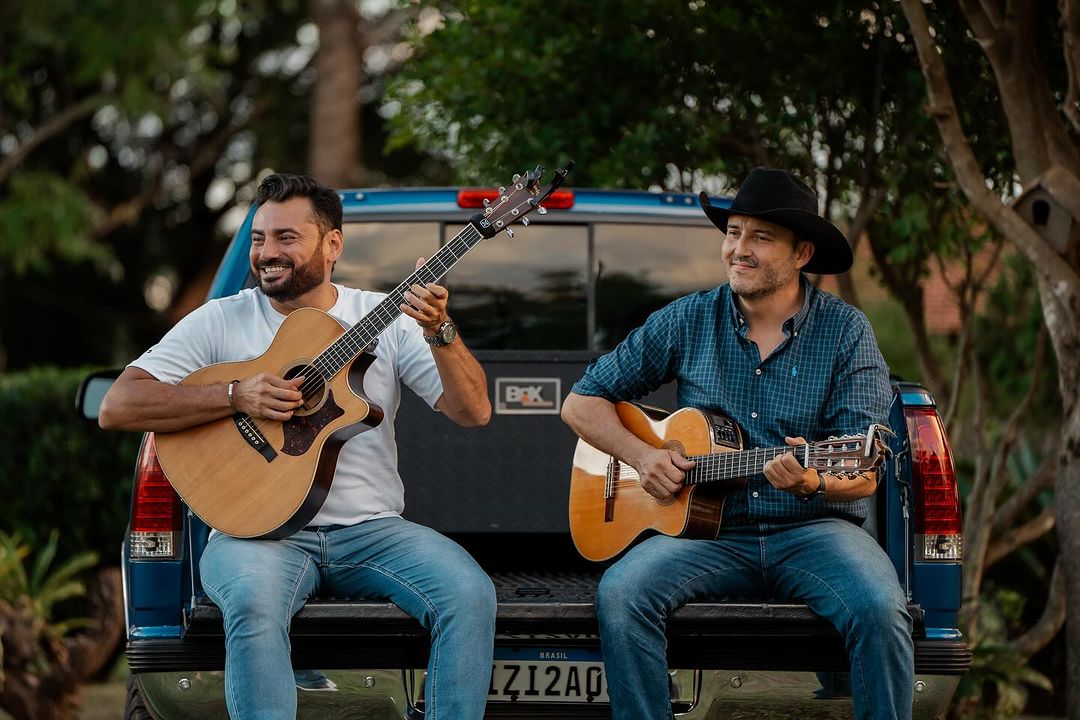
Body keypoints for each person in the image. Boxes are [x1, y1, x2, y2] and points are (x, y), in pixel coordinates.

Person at [99, 173, 496, 720]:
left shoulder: (386, 318)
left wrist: (442, 331)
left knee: (469, 595)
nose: (266, 253)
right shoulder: (221, 318)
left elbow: (473, 411)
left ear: (332, 244)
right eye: (260, 238)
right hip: (254, 534)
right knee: (254, 604)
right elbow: (119, 405)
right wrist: (237, 395)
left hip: (372, 531)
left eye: (286, 238)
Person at [560, 167, 913, 720]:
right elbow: (581, 403)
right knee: (623, 595)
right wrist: (645, 456)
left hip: (814, 532)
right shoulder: (688, 318)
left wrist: (813, 478)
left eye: (759, 237)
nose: (737, 250)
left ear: (801, 254)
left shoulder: (846, 333)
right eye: (733, 233)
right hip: (708, 535)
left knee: (879, 606)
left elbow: (864, 469)